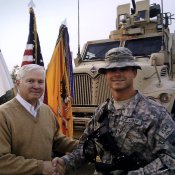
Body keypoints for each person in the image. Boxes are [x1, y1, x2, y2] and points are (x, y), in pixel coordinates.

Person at [53, 47, 175, 175]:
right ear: (106, 74)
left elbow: (170, 159)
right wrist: (65, 162)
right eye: (111, 70)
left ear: (134, 72)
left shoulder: (155, 113)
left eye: (123, 69)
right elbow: (88, 149)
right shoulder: (102, 111)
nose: (117, 74)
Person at [0, 64, 78, 175]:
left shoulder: (46, 111)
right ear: (18, 83)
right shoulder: (3, 114)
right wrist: (41, 167)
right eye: (30, 81)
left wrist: (84, 145)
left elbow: (58, 140)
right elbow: (2, 161)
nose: (36, 86)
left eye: (40, 82)